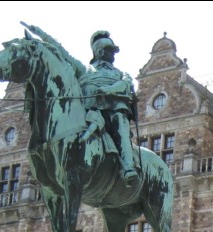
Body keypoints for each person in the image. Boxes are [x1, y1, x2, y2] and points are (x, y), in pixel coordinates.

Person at [23, 25, 138, 183]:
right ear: (99, 51)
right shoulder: (84, 69)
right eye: (110, 50)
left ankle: (128, 168)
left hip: (112, 111)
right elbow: (61, 51)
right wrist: (40, 34)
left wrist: (109, 89)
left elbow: (126, 84)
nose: (113, 54)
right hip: (87, 113)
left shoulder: (120, 73)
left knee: (121, 124)